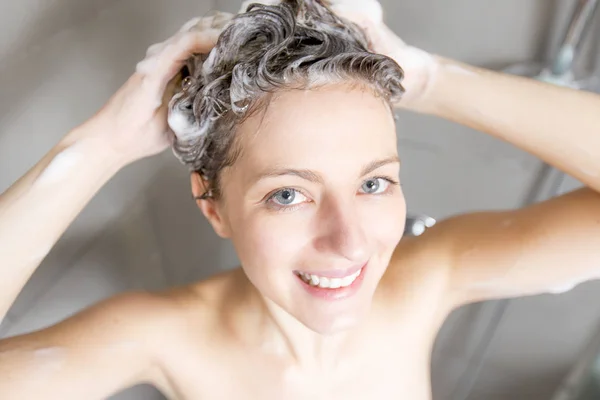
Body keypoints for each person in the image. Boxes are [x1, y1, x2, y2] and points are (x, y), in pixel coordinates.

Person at [1, 0, 599, 398]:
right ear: (213, 207)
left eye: (373, 183)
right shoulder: (163, 335)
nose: (350, 240)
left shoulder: (426, 277)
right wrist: (96, 147)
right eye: (288, 194)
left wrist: (427, 79)